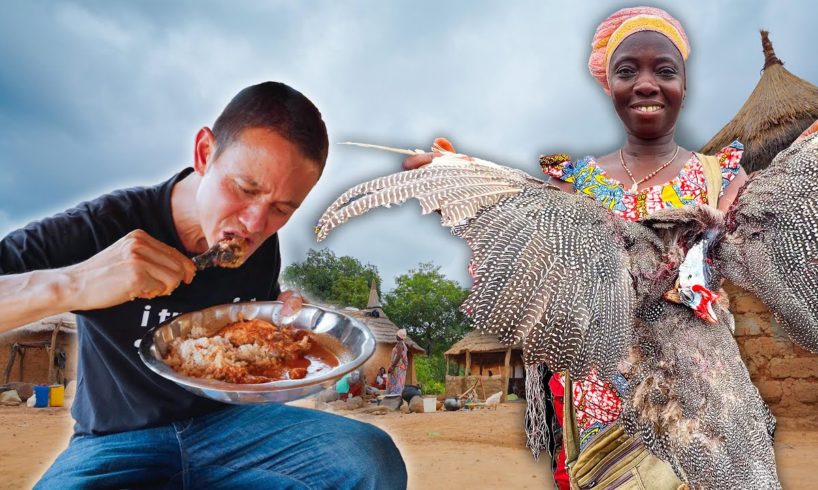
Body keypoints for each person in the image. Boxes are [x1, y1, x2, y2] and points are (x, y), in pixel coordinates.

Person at [404, 7, 748, 489]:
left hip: (699, 400)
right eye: (627, 70)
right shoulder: (573, 184)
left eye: (664, 70)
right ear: (609, 86)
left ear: (684, 85)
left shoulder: (724, 177)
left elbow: (756, 253)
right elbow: (536, 259)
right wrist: (461, 178)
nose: (646, 83)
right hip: (601, 400)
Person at [0, 81, 407, 489]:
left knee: (370, 459)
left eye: (282, 209)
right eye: (245, 189)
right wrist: (73, 283)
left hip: (234, 429)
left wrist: (281, 327)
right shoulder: (104, 225)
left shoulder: (263, 246)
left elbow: (250, 349)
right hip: (115, 443)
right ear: (204, 154)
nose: (254, 224)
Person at [386, 329, 409, 396]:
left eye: (397, 335)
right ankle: (396, 398)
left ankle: (394, 398)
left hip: (398, 367)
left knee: (396, 384)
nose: (396, 336)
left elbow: (398, 356)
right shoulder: (403, 344)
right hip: (401, 367)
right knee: (398, 383)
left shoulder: (400, 344)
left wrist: (392, 366)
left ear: (399, 336)